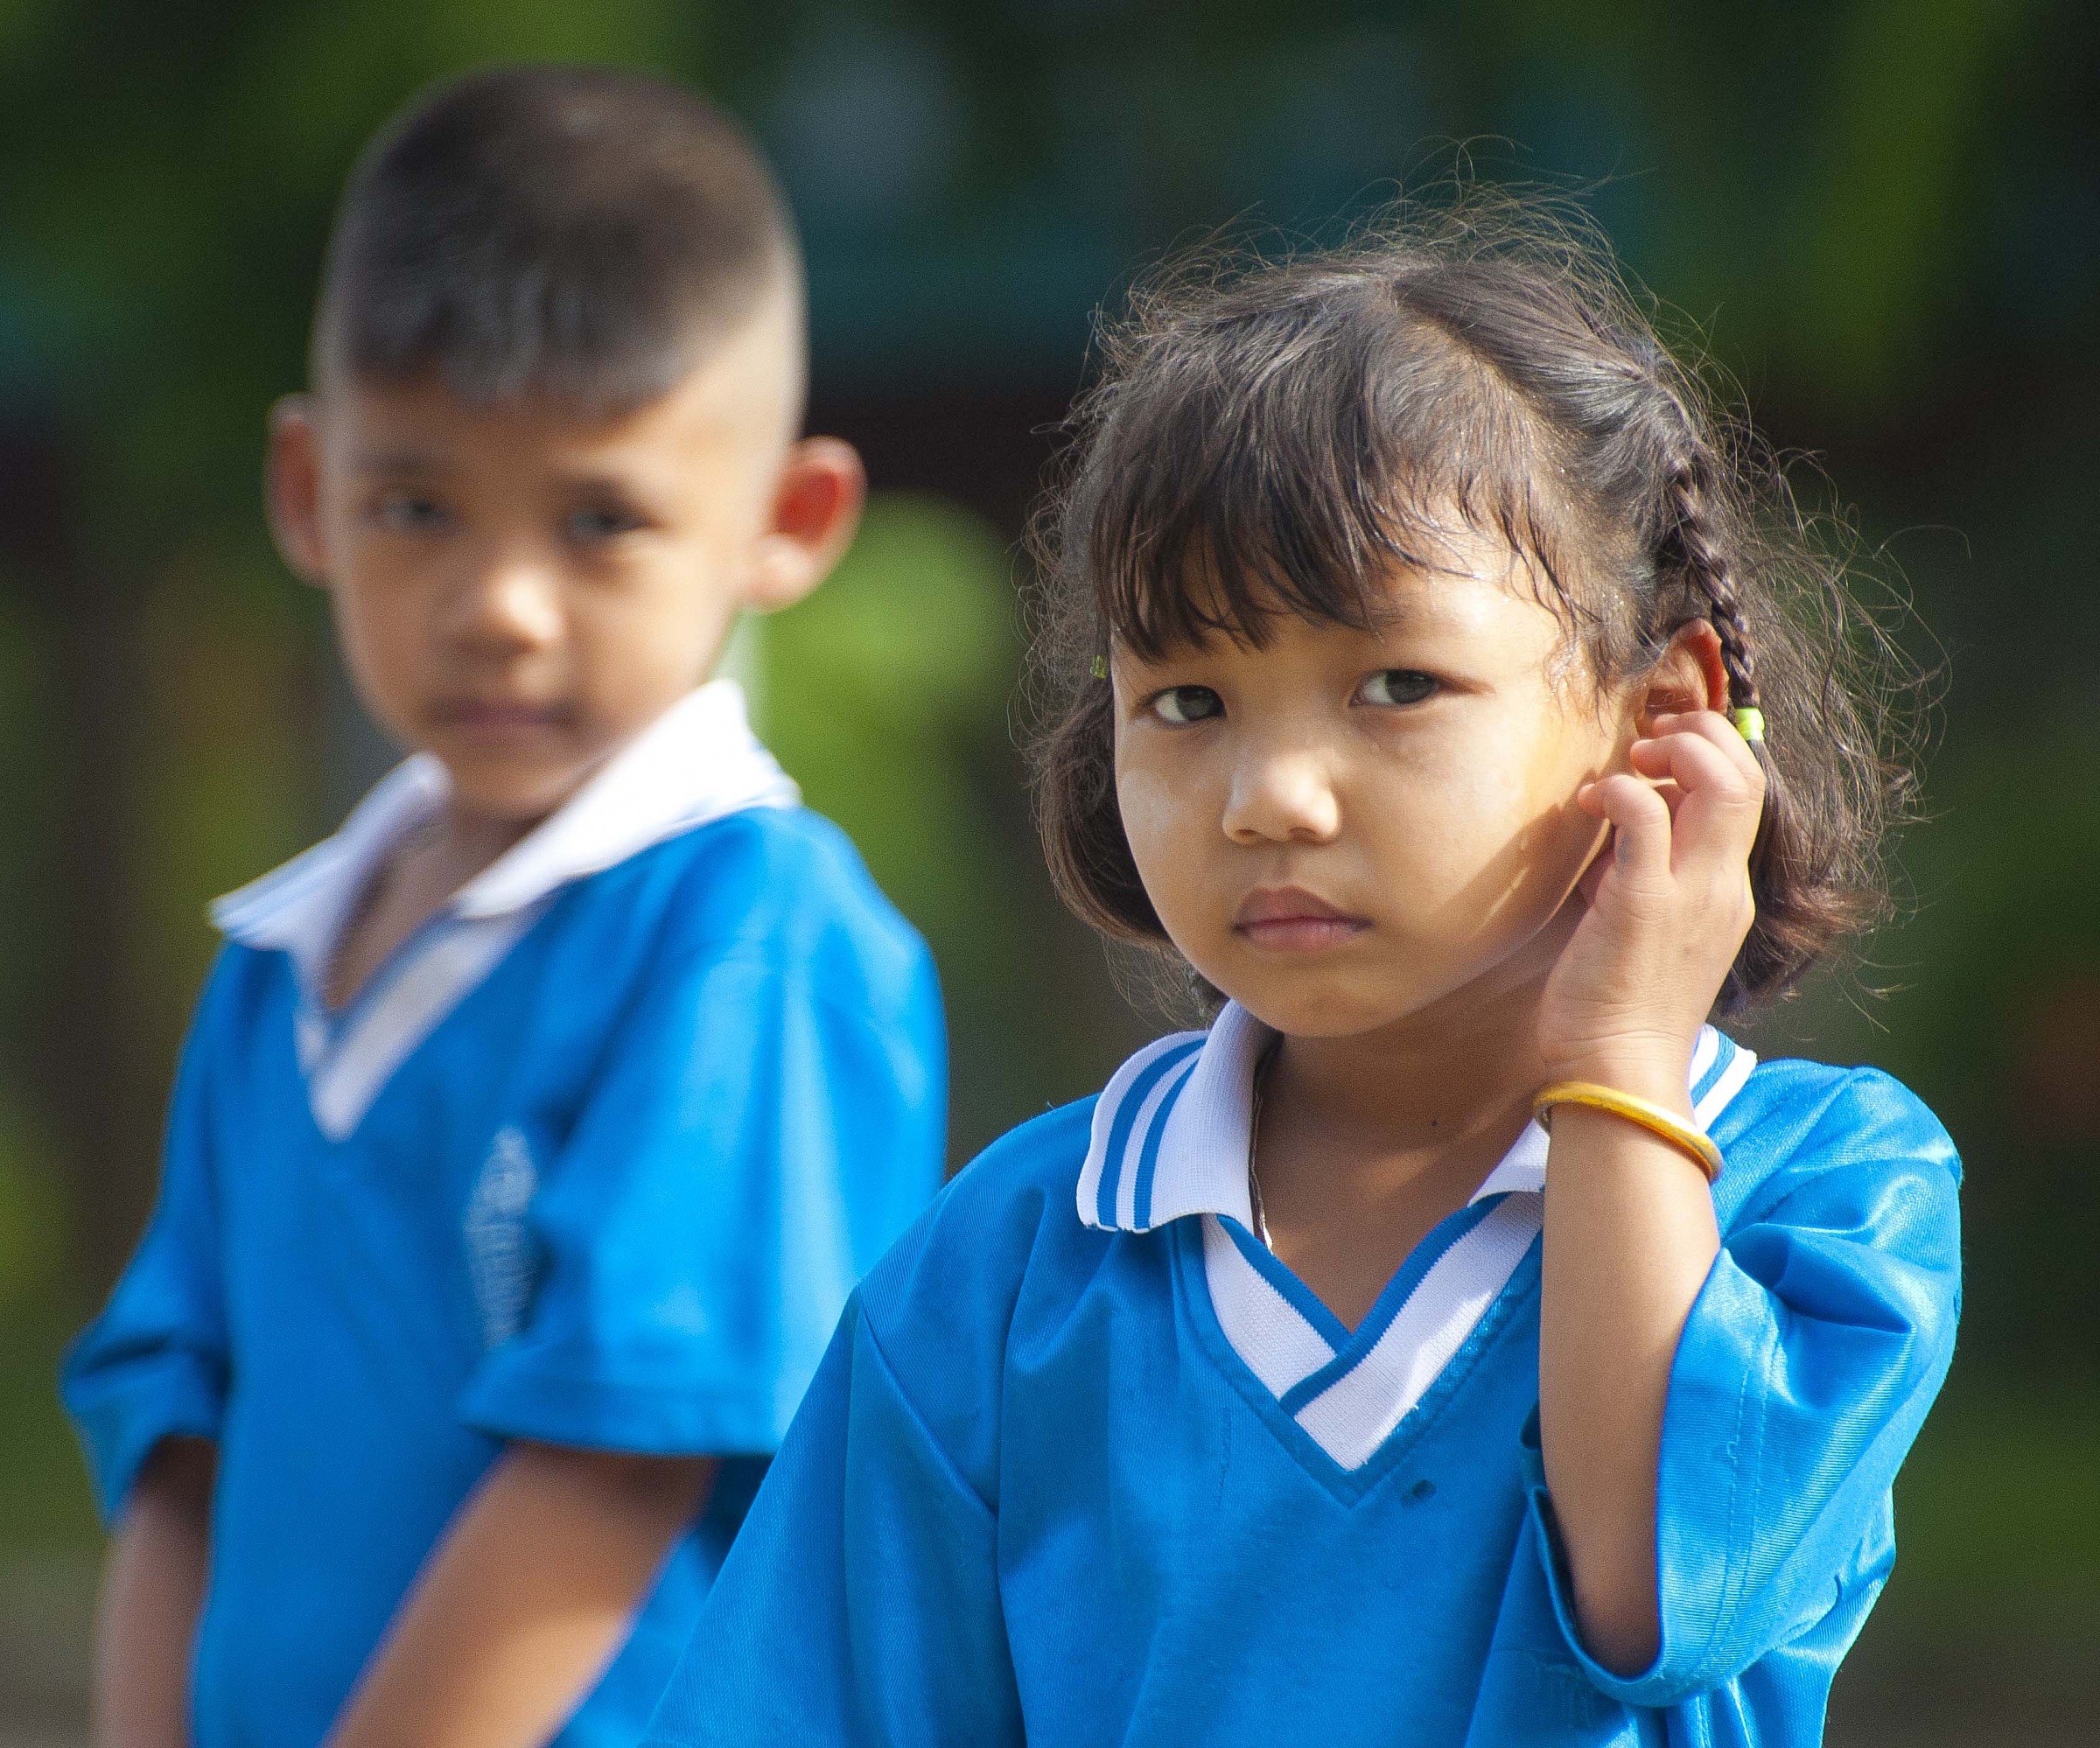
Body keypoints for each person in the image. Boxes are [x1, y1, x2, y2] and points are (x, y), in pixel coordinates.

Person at [640, 196, 1961, 1747]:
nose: (1270, 793)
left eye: (1397, 684)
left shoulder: (1829, 1190)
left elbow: (1659, 1592)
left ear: (1658, 712)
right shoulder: (1014, 1260)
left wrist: (1617, 1052)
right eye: (1187, 699)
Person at [61, 66, 948, 1748]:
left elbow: (619, 1466)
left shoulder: (752, 932)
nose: (501, 609)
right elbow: (177, 1452)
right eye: (418, 506)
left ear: (788, 520)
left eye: (600, 519)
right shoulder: (279, 961)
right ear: (308, 492)